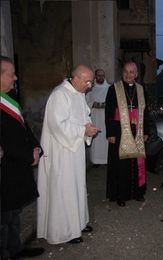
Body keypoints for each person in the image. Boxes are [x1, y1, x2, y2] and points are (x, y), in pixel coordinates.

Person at [37, 64, 98, 244]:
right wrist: (82, 131)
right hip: (61, 153)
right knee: (64, 190)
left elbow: (84, 116)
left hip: (74, 150)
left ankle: (78, 223)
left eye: (91, 82)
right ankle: (63, 232)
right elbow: (57, 125)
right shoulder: (59, 95)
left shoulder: (78, 94)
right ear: (75, 78)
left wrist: (89, 127)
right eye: (87, 81)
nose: (89, 85)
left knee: (77, 187)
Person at [0, 56, 44, 259]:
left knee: (13, 212)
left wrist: (36, 147)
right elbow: (7, 142)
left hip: (17, 167)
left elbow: (23, 128)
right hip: (5, 168)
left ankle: (16, 249)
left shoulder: (10, 99)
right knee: (3, 216)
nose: (15, 77)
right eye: (11, 74)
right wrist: (29, 155)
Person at [105, 61, 150, 207]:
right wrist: (110, 133)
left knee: (137, 163)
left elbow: (146, 112)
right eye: (125, 71)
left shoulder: (141, 89)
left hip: (137, 129)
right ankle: (120, 195)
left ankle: (137, 192)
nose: (128, 75)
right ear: (122, 72)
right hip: (119, 131)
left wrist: (146, 131)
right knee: (120, 164)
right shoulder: (114, 89)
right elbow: (109, 112)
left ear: (136, 75)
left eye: (131, 72)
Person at [86, 69, 110, 167]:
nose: (100, 77)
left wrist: (105, 105)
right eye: (98, 75)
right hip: (95, 117)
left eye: (102, 75)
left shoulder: (109, 88)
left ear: (104, 76)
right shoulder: (91, 88)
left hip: (105, 117)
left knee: (105, 139)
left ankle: (105, 160)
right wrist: (93, 104)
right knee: (96, 139)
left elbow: (112, 102)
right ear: (95, 76)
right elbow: (86, 101)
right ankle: (96, 161)